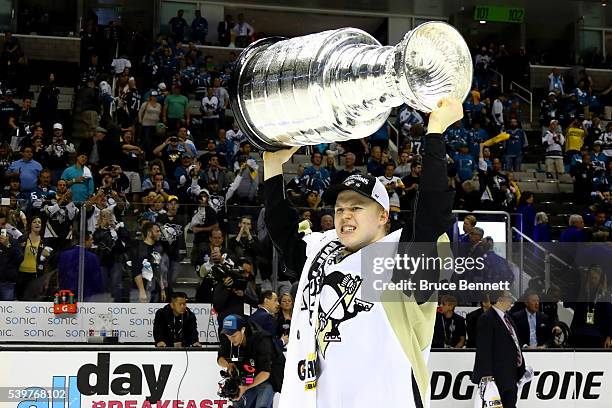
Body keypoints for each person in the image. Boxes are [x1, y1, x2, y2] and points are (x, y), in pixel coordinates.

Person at [263, 98, 460, 408]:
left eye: (357, 207)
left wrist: (435, 133)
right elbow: (285, 232)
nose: (345, 215)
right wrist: (273, 168)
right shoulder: (323, 256)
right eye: (340, 208)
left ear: (383, 216)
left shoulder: (399, 259)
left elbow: (432, 212)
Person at [471, 291, 526, 408]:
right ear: (500, 299)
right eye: (509, 297)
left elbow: (514, 343)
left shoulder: (508, 318)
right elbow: (483, 348)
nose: (512, 300)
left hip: (510, 374)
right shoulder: (487, 318)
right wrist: (487, 375)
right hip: (496, 377)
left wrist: (520, 367)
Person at [218, 314, 285, 408]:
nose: (231, 339)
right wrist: (228, 364)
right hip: (248, 376)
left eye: (233, 335)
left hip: (269, 377)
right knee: (238, 403)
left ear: (243, 330)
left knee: (262, 405)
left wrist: (245, 388)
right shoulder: (230, 338)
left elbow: (265, 373)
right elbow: (220, 358)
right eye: (227, 335)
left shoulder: (262, 340)